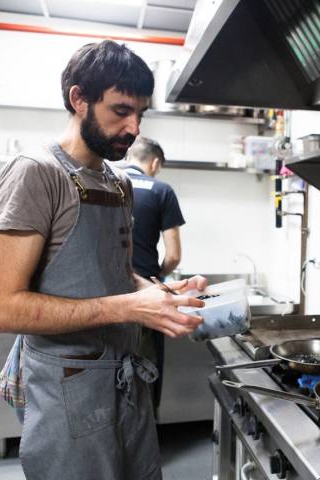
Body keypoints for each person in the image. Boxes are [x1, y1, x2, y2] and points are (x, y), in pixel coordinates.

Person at [0, 40, 206, 480]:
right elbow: (3, 308)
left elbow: (116, 273)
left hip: (126, 386)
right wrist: (128, 308)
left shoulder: (118, 183)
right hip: (67, 391)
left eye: (140, 115)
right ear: (79, 99)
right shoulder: (36, 173)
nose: (133, 128)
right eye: (121, 110)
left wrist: (161, 294)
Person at [110, 137, 185, 414]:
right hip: (147, 295)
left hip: (106, 295)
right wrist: (158, 274)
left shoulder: (106, 181)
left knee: (110, 369)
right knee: (145, 367)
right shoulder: (161, 190)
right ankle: (145, 433)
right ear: (155, 163)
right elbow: (174, 255)